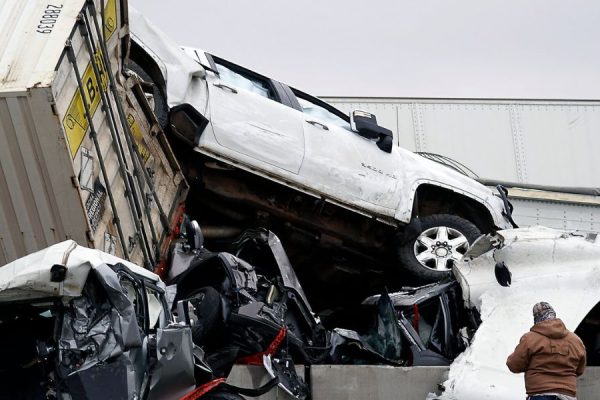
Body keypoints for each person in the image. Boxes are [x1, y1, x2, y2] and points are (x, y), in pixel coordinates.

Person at [506, 302, 587, 400]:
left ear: (536, 318)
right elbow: (580, 370)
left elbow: (514, 365)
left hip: (540, 394)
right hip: (567, 395)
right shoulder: (576, 340)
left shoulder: (530, 338)